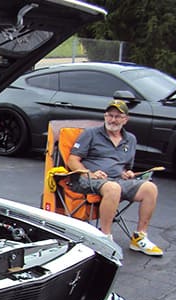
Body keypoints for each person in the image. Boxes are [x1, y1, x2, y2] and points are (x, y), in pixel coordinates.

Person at [66, 100, 163, 256]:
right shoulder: (90, 134)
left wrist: (127, 173)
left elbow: (125, 166)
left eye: (118, 116)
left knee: (149, 188)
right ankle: (105, 237)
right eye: (110, 115)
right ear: (105, 116)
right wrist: (89, 173)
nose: (113, 120)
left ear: (125, 119)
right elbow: (72, 160)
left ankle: (140, 236)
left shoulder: (130, 139)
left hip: (117, 179)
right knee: (113, 188)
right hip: (89, 179)